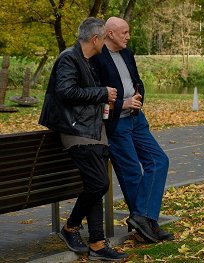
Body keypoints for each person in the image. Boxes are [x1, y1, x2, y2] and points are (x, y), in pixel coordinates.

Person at [38, 17, 128, 261]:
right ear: (96, 39)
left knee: (95, 186)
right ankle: (70, 228)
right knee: (99, 184)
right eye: (104, 39)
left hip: (92, 129)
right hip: (76, 130)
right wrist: (102, 92)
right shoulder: (69, 58)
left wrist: (103, 99)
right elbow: (65, 92)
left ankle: (97, 244)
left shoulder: (87, 60)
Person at [91, 17, 174, 242]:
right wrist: (122, 104)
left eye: (128, 32)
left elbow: (137, 81)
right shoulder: (97, 58)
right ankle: (148, 224)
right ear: (109, 34)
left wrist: (138, 96)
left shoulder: (127, 54)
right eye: (124, 32)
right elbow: (95, 94)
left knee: (159, 160)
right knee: (132, 174)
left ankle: (141, 218)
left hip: (137, 119)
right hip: (116, 122)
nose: (128, 36)